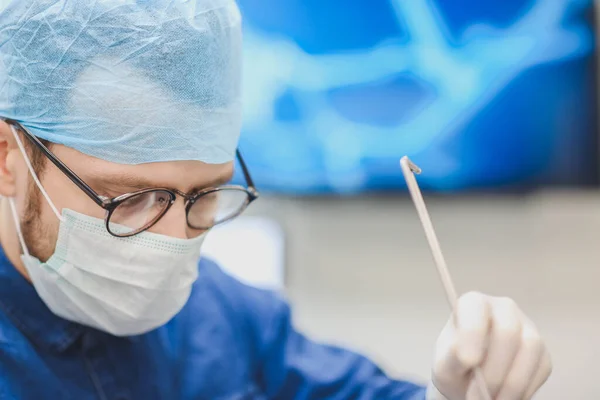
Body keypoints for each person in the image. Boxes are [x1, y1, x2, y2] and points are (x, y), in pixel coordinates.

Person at [0, 1, 551, 399]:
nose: (172, 244)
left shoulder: (223, 313)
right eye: (134, 199)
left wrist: (452, 391)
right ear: (8, 157)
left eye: (206, 195)